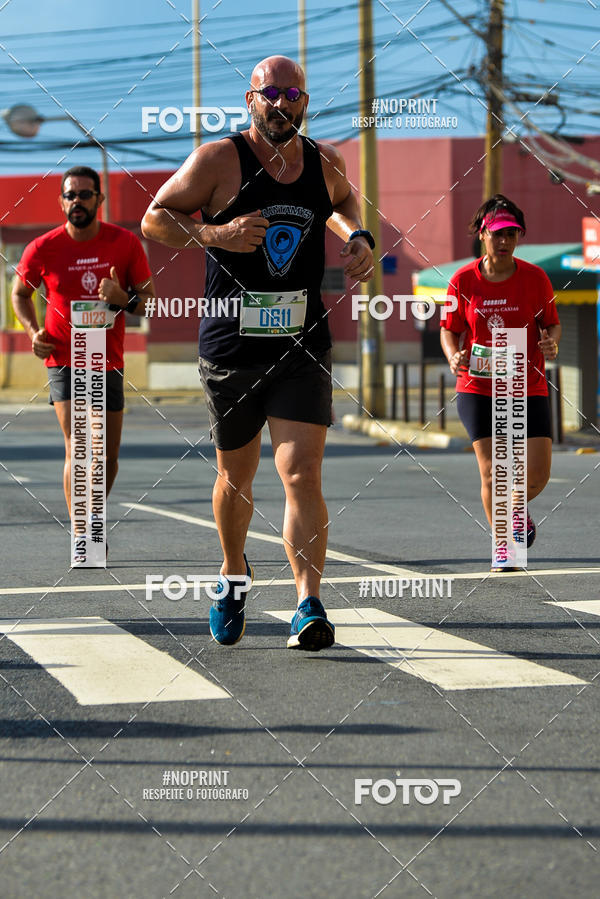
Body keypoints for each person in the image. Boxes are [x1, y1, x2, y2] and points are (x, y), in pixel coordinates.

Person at [142, 55, 374, 649]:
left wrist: (359, 238)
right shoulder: (219, 159)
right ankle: (233, 572)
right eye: (271, 92)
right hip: (232, 345)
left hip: (301, 342)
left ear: (304, 101)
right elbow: (155, 217)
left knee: (301, 472)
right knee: (235, 479)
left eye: (293, 92)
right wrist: (214, 234)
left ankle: (308, 603)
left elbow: (345, 206)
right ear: (251, 99)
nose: (282, 102)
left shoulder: (324, 161)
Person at [12, 165, 155, 547]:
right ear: (62, 202)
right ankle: (83, 531)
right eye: (71, 195)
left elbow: (150, 303)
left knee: (106, 454)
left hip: (107, 359)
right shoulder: (42, 248)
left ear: (99, 199)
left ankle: (94, 515)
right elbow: (20, 293)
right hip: (63, 357)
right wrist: (33, 332)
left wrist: (121, 298)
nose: (77, 201)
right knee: (81, 442)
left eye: (85, 194)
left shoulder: (124, 243)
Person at [440, 194, 561, 571]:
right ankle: (504, 545)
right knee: (494, 470)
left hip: (528, 384)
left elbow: (551, 322)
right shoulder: (462, 280)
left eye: (512, 233)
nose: (505, 241)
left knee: (538, 473)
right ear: (482, 235)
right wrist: (453, 355)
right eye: (497, 234)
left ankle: (513, 508)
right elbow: (449, 329)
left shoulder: (535, 277)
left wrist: (551, 341)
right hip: (478, 386)